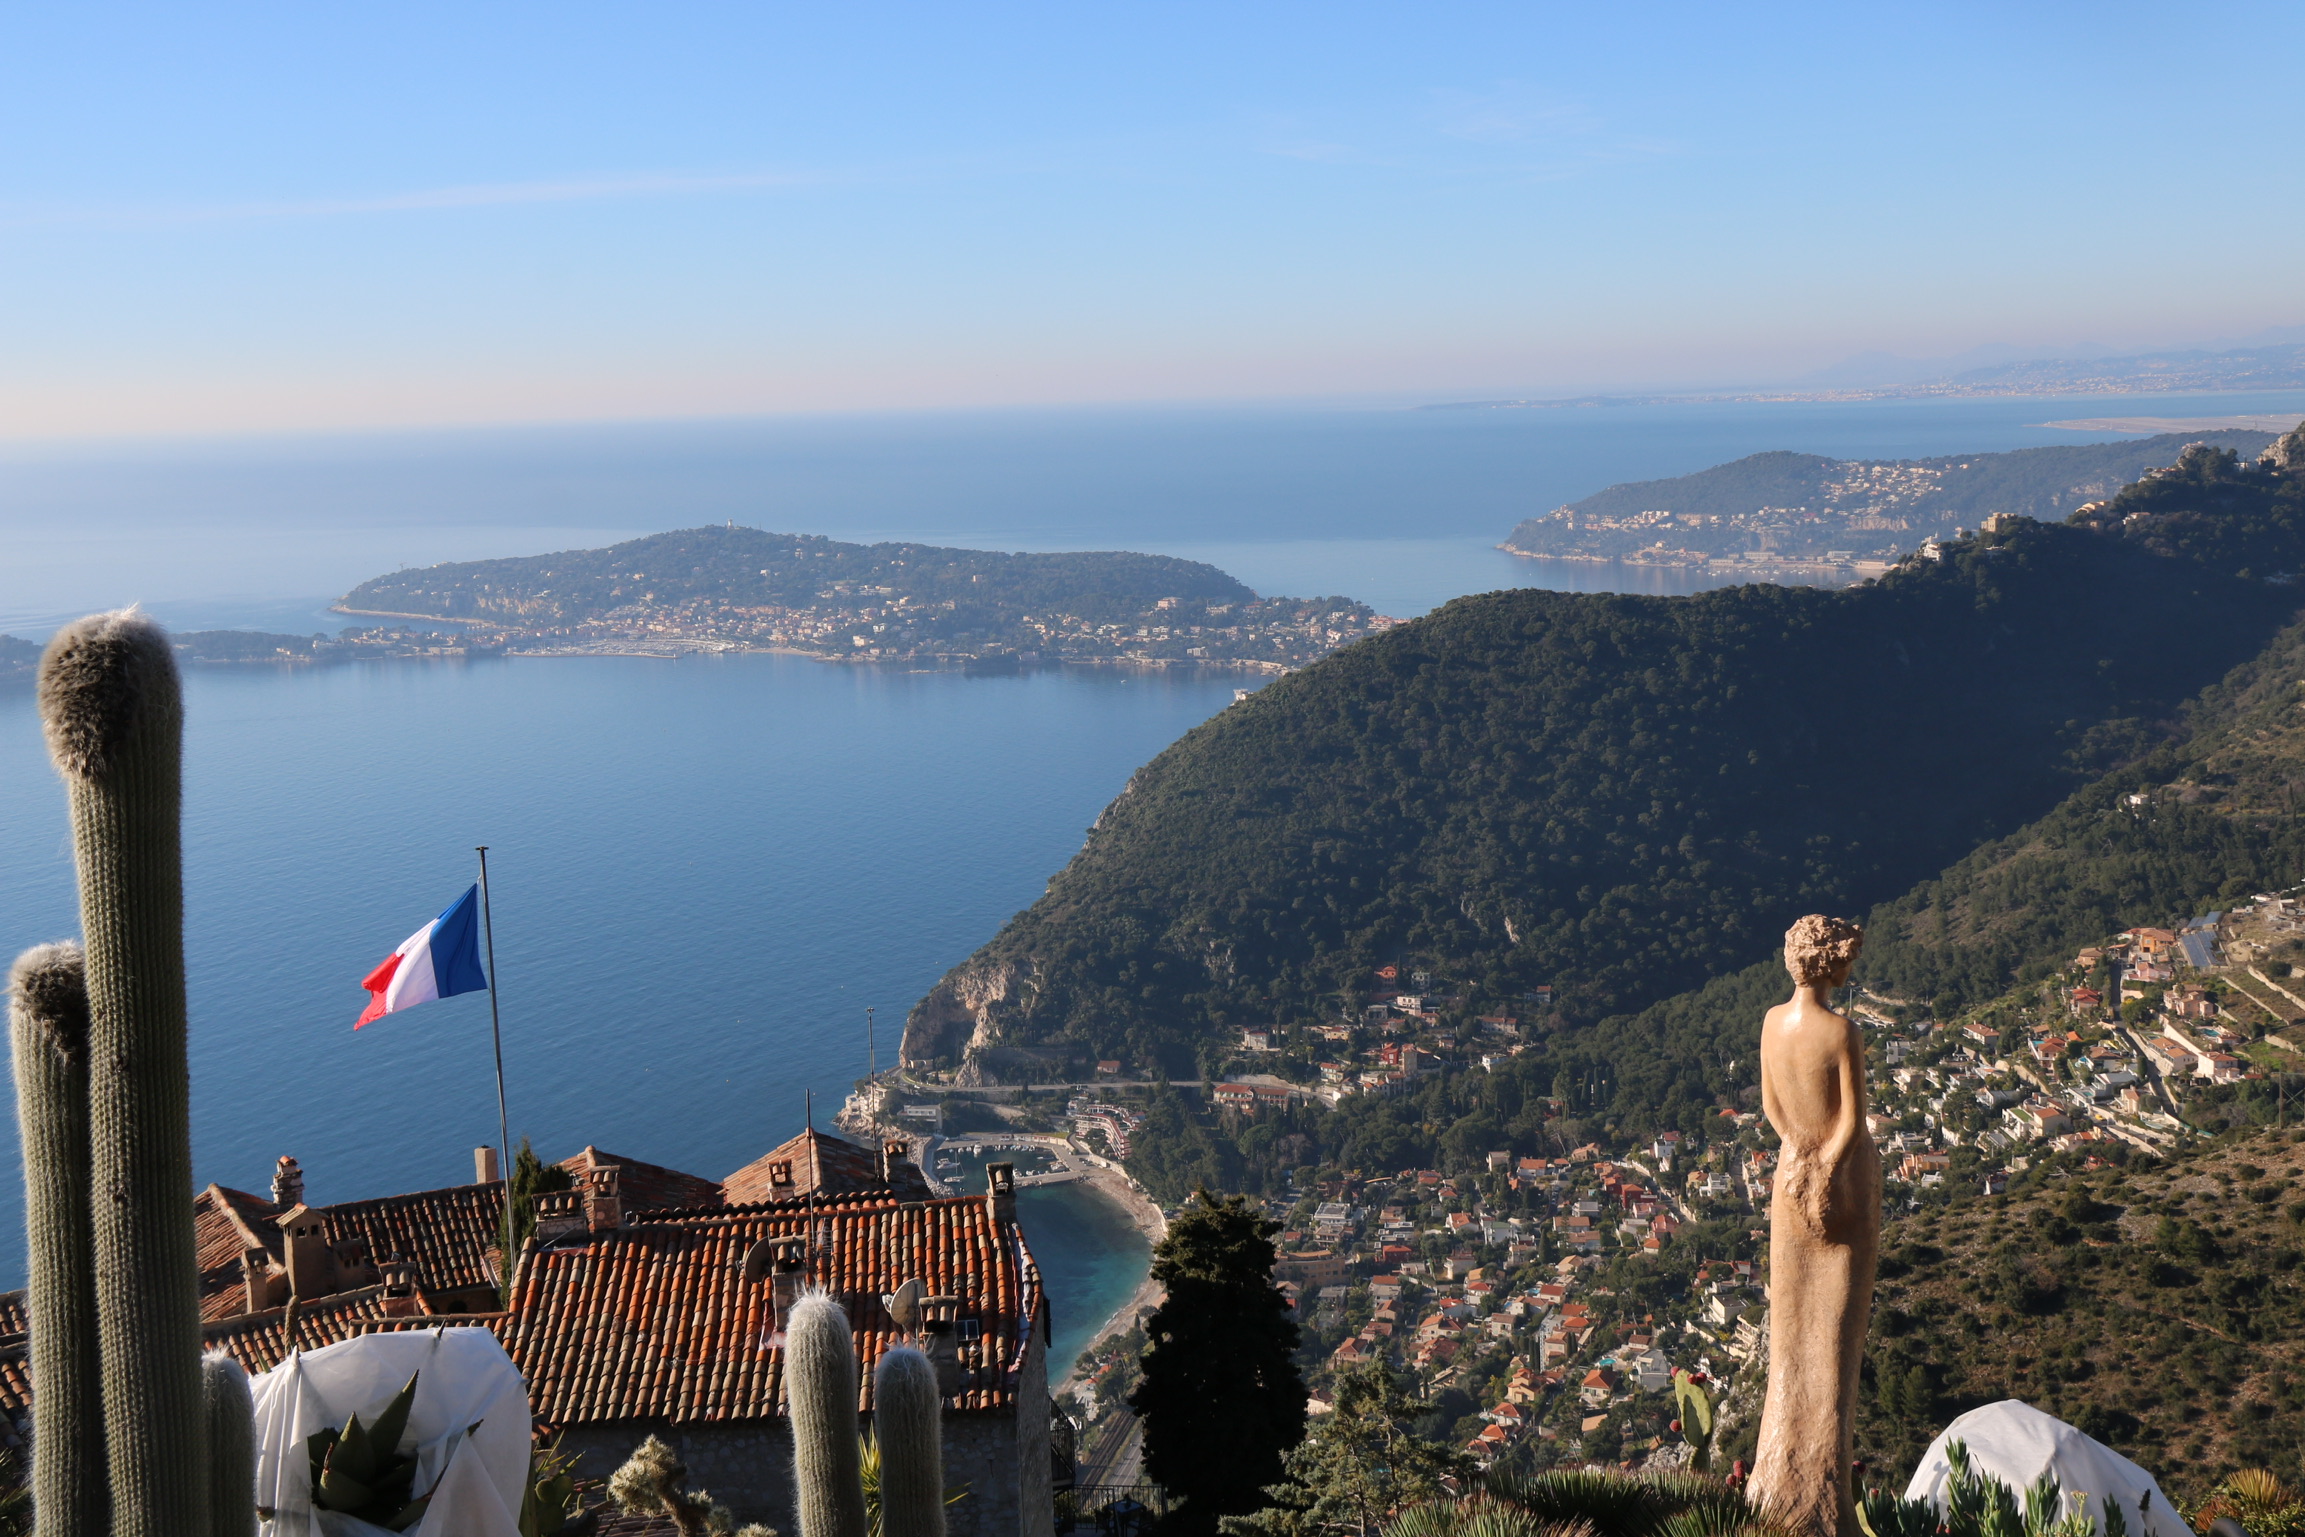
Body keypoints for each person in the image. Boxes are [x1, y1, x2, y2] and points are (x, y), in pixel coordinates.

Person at [1748, 914, 1876, 1537]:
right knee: (1837, 1334)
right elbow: (1852, 1119)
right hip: (1845, 1178)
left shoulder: (1773, 1023)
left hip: (1789, 1172)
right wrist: (1827, 1165)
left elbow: (1771, 1103)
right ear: (1831, 964)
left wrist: (1798, 1151)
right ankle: (1820, 1504)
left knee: (1790, 1325)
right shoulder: (1842, 1031)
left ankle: (1775, 1489)